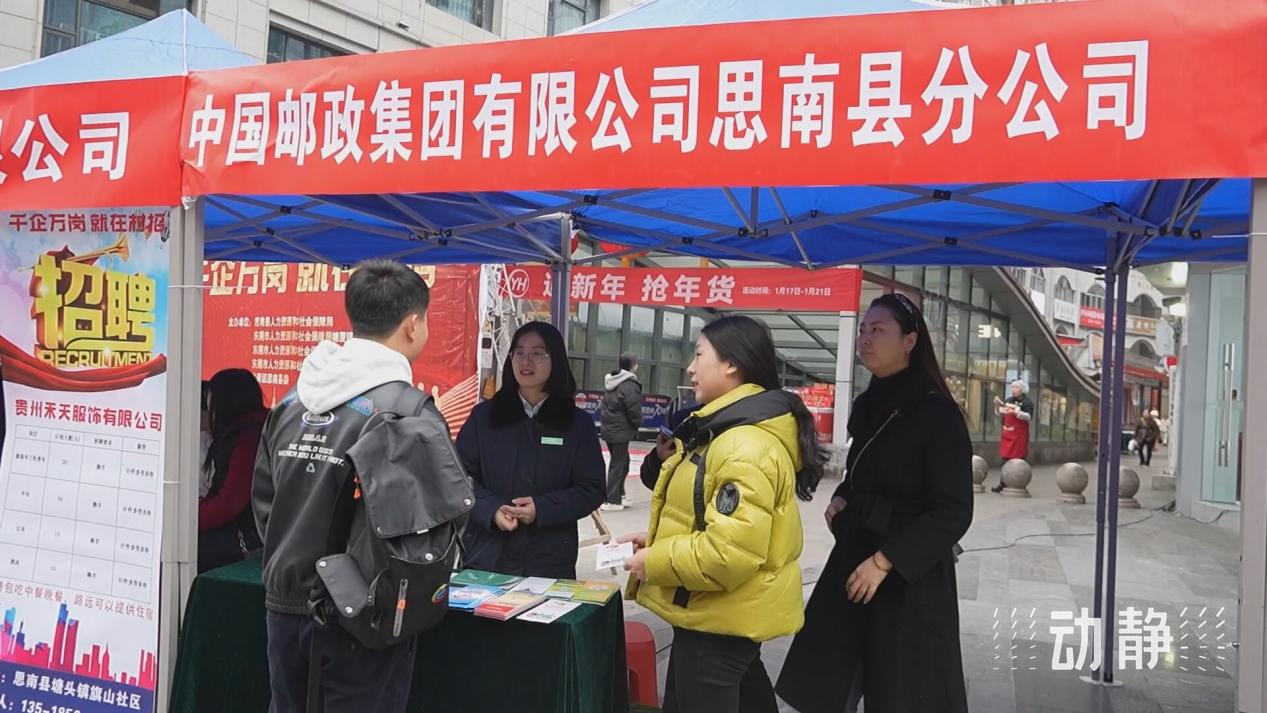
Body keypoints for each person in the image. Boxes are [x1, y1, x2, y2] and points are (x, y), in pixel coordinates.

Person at [253, 259, 436, 713]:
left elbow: (265, 503)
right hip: (363, 617)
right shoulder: (408, 411)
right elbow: (426, 526)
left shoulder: (292, 402)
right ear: (413, 325)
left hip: (284, 605)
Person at [776, 293, 973, 713]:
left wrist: (885, 562)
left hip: (909, 570)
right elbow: (862, 473)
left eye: (878, 330)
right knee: (830, 675)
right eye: (863, 330)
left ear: (909, 341)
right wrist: (843, 496)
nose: (865, 338)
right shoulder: (867, 404)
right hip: (856, 552)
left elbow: (954, 510)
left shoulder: (938, 412)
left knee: (902, 688)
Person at [621, 315, 827, 713]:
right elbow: (716, 526)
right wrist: (657, 543)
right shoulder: (725, 431)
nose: (690, 368)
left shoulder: (743, 444)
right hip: (718, 616)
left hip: (717, 621)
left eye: (699, 355)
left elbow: (729, 553)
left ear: (731, 363)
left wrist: (656, 561)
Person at [456, 322, 606, 579]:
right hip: (487, 555)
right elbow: (458, 478)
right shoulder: (484, 417)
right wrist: (491, 509)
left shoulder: (576, 424)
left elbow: (592, 488)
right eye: (519, 352)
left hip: (549, 559)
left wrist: (542, 509)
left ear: (555, 359)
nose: (526, 361)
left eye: (537, 353)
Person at [198, 369, 267, 573]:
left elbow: (230, 501)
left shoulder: (248, 440)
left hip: (243, 543)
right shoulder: (250, 429)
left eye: (210, 399)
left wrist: (191, 520)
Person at [600, 352, 643, 511]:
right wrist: (638, 423)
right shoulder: (630, 385)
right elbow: (634, 409)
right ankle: (612, 500)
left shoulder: (612, 381)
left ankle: (620, 494)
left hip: (610, 428)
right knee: (618, 465)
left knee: (623, 462)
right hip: (621, 430)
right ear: (633, 365)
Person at [990, 379, 1034, 493]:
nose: (1013, 390)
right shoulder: (1008, 400)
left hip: (1019, 435)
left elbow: (1029, 417)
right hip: (1007, 433)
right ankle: (1002, 483)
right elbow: (999, 413)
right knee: (1004, 459)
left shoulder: (1027, 402)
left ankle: (1020, 482)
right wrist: (997, 406)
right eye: (1013, 387)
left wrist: (1016, 412)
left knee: (1019, 459)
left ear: (1022, 390)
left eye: (1016, 388)